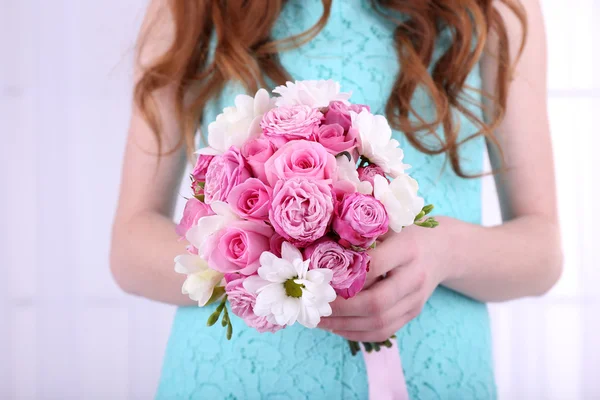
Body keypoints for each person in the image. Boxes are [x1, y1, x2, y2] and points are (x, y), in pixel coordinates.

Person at [110, 0, 562, 398]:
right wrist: (257, 261)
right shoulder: (189, 6)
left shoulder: (493, 8)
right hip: (232, 381)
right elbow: (130, 247)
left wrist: (446, 249)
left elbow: (542, 252)